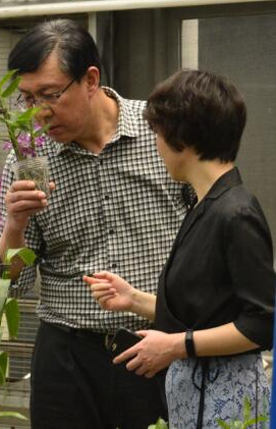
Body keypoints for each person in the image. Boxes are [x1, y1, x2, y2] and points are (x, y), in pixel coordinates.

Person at [0, 19, 190, 428]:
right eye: (27, 99)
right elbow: (10, 284)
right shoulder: (29, 160)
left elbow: (209, 236)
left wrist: (186, 337)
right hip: (67, 357)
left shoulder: (161, 131)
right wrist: (15, 226)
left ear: (91, 79)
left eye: (50, 95)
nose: (38, 113)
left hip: (155, 345)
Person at [85, 70, 274, 428]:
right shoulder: (207, 204)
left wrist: (175, 345)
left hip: (226, 401)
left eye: (157, 133)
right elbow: (206, 311)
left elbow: (263, 323)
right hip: (198, 395)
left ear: (181, 137)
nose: (156, 145)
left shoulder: (236, 213)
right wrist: (133, 298)